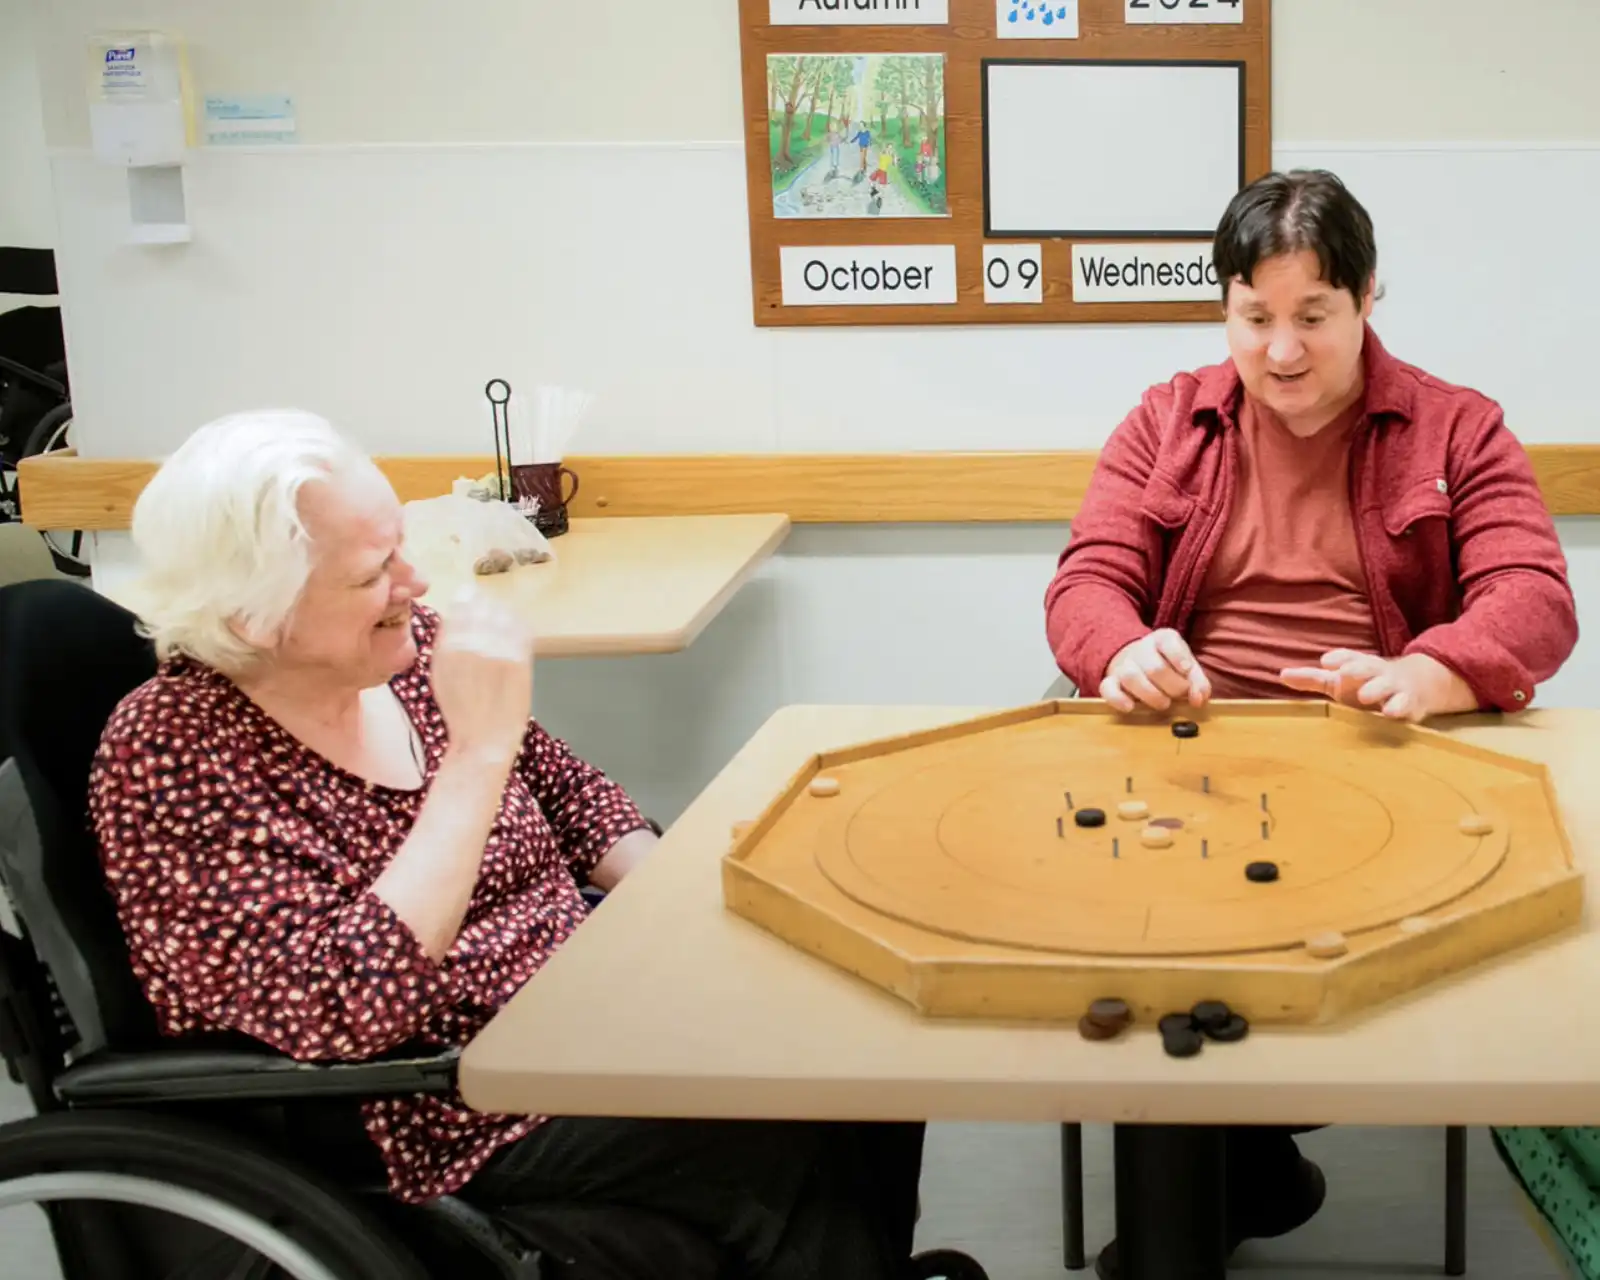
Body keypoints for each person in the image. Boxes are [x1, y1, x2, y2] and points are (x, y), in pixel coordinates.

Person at [87, 410, 946, 1280]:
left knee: (857, 1052)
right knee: (784, 1142)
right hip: (447, 1105)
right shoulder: (173, 756)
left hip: (586, 1011)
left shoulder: (407, 649)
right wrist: (474, 758)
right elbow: (343, 1006)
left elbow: (574, 796)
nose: (414, 585)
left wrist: (680, 906)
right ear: (252, 616)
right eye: (372, 572)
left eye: (401, 549)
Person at [1043, 169, 1578, 1278]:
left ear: (1369, 296)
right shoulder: (1167, 418)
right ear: (1223, 308)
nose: (1281, 351)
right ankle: (1236, 1173)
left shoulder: (1455, 424)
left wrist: (1433, 670)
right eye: (1254, 317)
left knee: (1321, 943)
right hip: (1192, 754)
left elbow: (1535, 598)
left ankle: (1231, 1173)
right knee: (1145, 938)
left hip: (1378, 757)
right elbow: (1086, 581)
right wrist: (1119, 648)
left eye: (1313, 317)